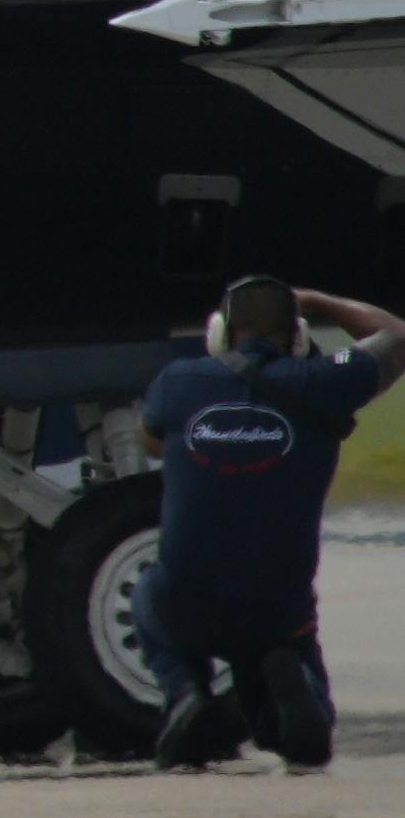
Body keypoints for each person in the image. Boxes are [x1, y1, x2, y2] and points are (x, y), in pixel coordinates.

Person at [146, 275, 394, 771]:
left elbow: (151, 443)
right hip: (277, 607)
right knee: (288, 686)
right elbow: (397, 335)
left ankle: (185, 692)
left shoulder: (177, 382)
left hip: (187, 600)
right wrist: (323, 299)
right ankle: (290, 684)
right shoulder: (324, 382)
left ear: (219, 334)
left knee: (149, 595)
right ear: (298, 337)